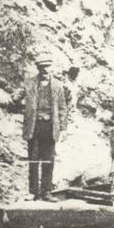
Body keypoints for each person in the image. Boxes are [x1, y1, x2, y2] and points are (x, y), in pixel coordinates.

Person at [22, 55, 67, 202]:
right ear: (38, 68)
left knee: (49, 160)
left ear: (51, 67)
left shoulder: (58, 85)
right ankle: (33, 192)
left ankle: (47, 192)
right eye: (42, 67)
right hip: (34, 126)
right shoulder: (29, 83)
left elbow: (62, 108)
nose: (46, 70)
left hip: (50, 127)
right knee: (33, 160)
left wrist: (64, 128)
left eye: (48, 66)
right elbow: (17, 98)